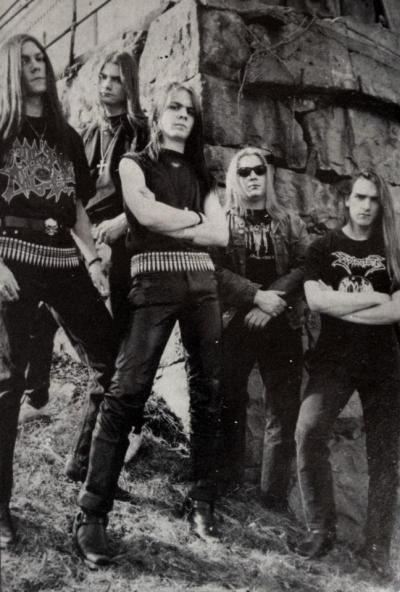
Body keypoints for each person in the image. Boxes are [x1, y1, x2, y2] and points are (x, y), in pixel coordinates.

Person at [73, 81, 229, 566]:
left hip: (202, 287)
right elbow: (143, 213)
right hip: (153, 284)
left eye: (189, 110)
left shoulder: (203, 173)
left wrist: (175, 219)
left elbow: (222, 233)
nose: (182, 115)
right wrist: (193, 220)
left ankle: (201, 499)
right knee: (127, 390)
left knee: (210, 391)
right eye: (173, 108)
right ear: (158, 114)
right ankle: (92, 512)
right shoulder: (133, 163)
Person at [0, 34, 117, 550]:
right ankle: (0, 509)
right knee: (8, 385)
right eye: (26, 60)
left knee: (114, 362)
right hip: (13, 261)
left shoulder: (66, 135)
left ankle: (89, 478)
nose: (36, 66)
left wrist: (92, 260)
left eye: (40, 58)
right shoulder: (1, 128)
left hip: (65, 262)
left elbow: (77, 209)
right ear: (11, 69)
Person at [19, 50, 148, 470]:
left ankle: (122, 429)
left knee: (119, 345)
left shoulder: (142, 133)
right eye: (103, 78)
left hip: (126, 243)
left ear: (129, 86)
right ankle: (36, 397)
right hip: (85, 238)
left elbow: (154, 191)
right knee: (43, 318)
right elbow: (76, 197)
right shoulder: (87, 133)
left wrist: (124, 223)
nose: (107, 85)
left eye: (116, 79)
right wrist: (88, 244)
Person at [293, 170, 400, 580]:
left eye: (374, 199)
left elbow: (396, 311)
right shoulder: (325, 246)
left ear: (381, 204)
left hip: (383, 363)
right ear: (347, 201)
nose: (366, 206)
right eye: (360, 197)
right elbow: (316, 302)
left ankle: (376, 548)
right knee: (308, 431)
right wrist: (375, 296)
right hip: (334, 360)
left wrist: (344, 305)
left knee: (385, 457)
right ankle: (320, 530)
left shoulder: (392, 250)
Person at [216, 147, 309, 510]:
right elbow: (213, 270)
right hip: (236, 322)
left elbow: (306, 265)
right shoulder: (222, 222)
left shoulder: (289, 221)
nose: (253, 176)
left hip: (281, 322)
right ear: (234, 179)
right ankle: (228, 483)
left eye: (259, 170)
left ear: (268, 176)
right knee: (230, 400)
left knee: (282, 412)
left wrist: (272, 303)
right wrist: (256, 297)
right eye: (244, 172)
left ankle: (272, 498)